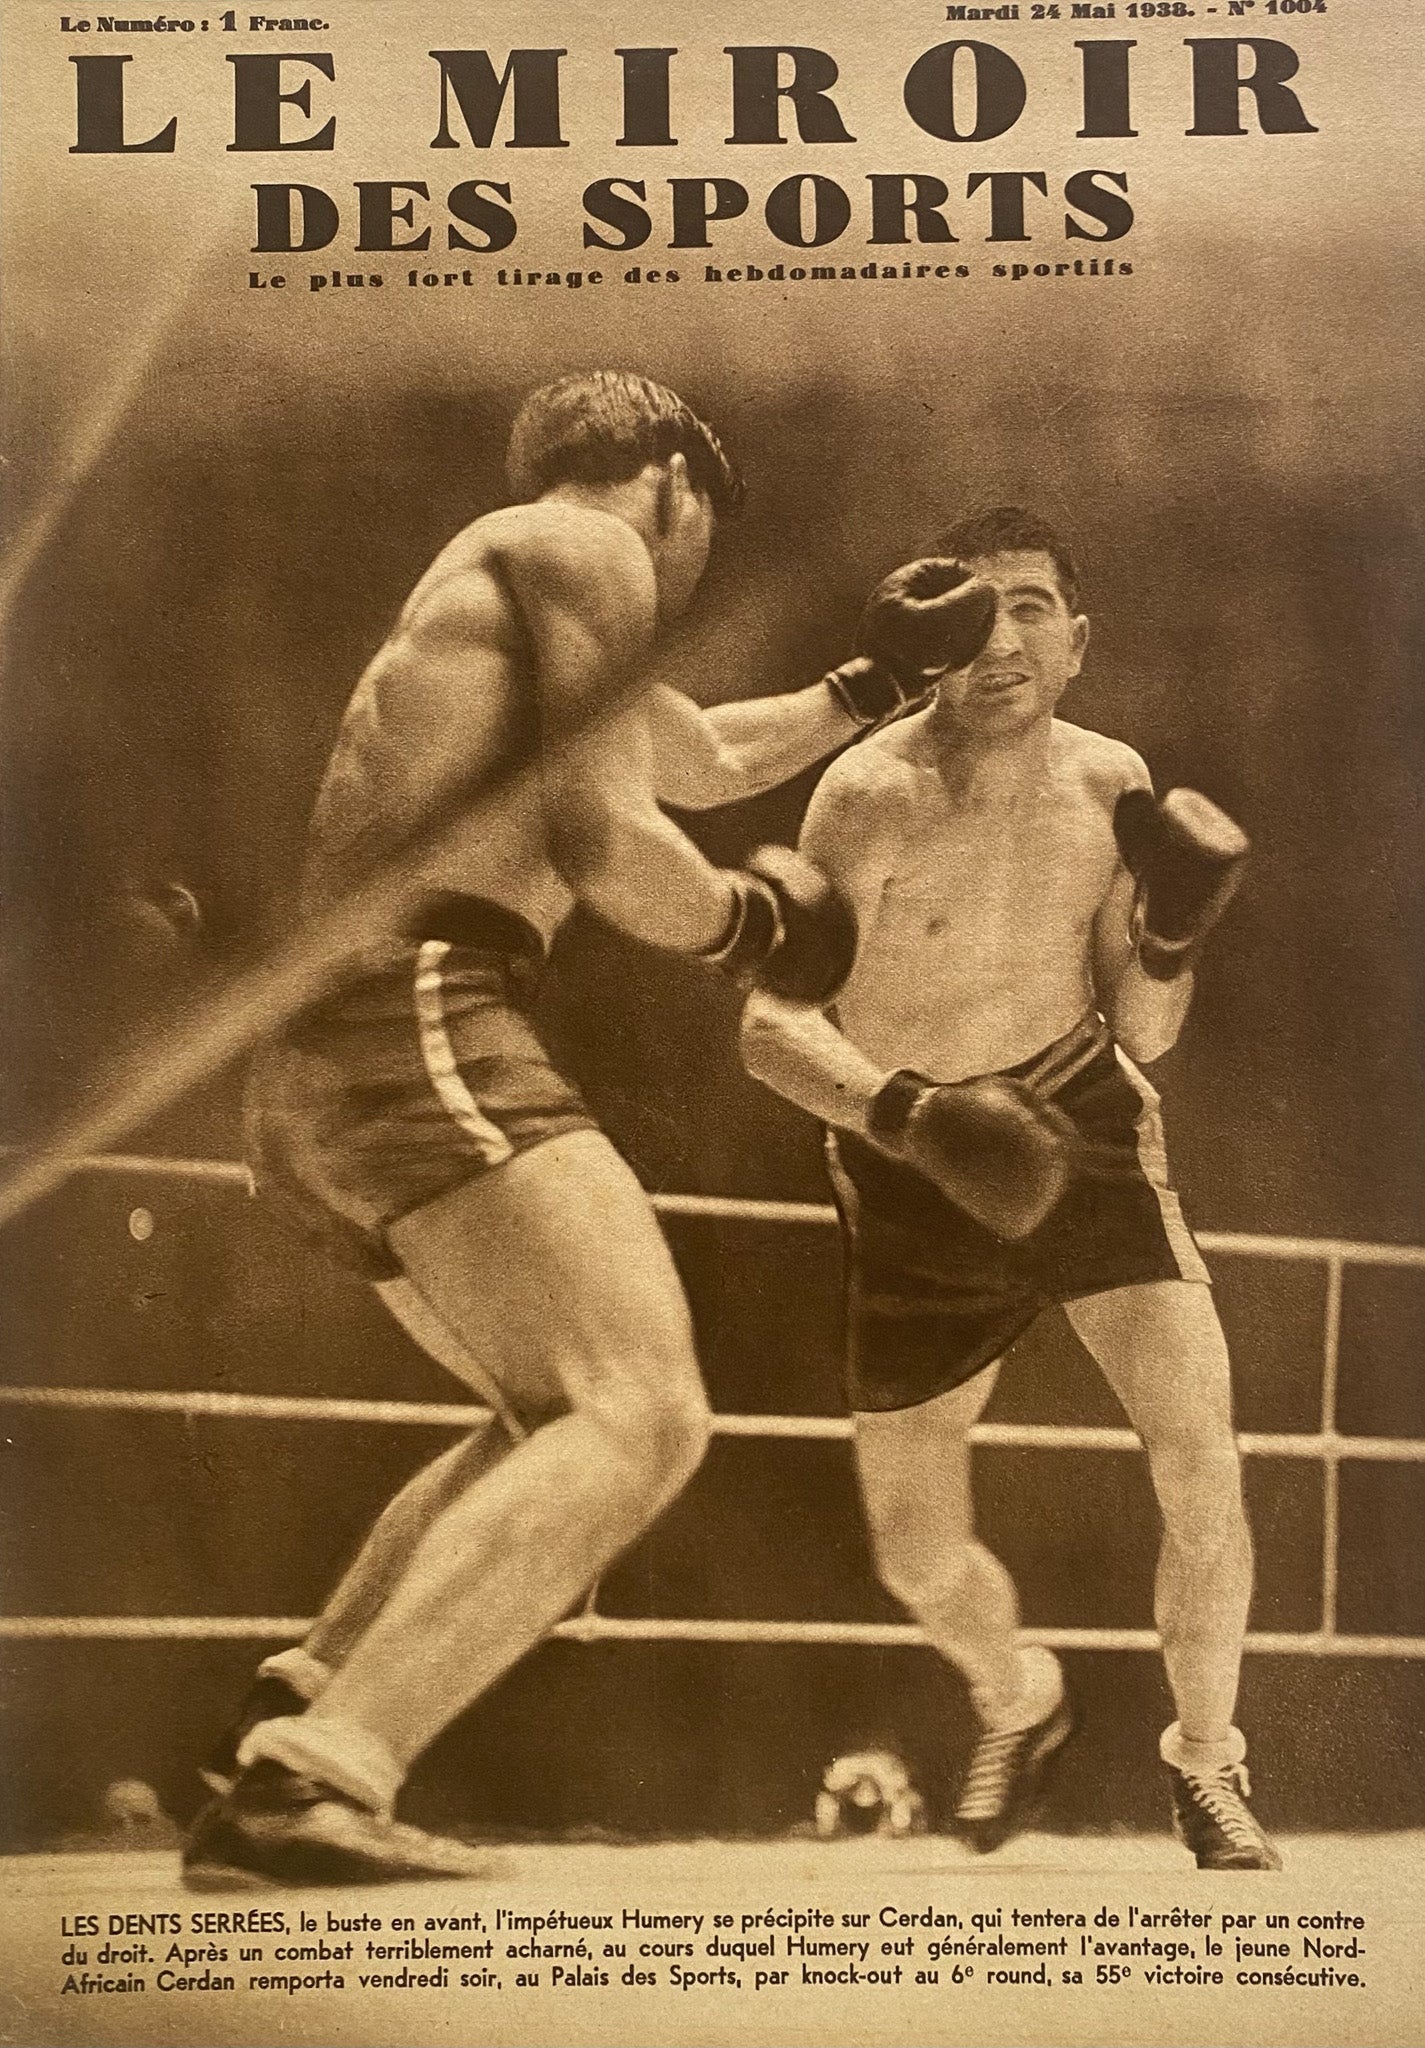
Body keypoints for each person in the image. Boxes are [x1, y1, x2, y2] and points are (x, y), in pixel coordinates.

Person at [183, 372, 993, 1888]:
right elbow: (607, 836)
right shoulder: (590, 546)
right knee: (646, 1411)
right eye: (698, 539)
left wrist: (874, 686)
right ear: (673, 480)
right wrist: (754, 928)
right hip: (417, 1000)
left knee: (548, 1415)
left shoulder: (509, 572)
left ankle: (296, 1704)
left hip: (339, 1040)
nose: (685, 576)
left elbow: (695, 758)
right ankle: (314, 1783)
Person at [741, 505, 1280, 1872]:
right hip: (910, 1159)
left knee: (1201, 1463)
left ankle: (1207, 1765)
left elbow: (1144, 1029)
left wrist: (1168, 934)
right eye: (973, 611)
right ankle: (1014, 1696)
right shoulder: (864, 792)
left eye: (1032, 607)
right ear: (926, 642)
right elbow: (767, 1029)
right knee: (914, 1553)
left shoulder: (1112, 781)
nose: (1004, 639)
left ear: (1077, 640)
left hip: (1083, 1116)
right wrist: (914, 1117)